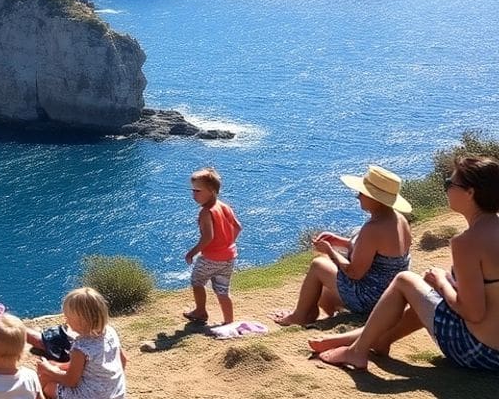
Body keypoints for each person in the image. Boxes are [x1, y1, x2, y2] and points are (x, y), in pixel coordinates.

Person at [312, 156, 499, 373]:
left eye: (450, 183)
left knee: (405, 281)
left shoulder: (467, 242)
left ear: (470, 192)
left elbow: (473, 312)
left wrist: (442, 283)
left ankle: (358, 351)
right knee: (426, 296)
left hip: (481, 352)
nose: (446, 188)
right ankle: (375, 340)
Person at [273, 165, 411, 326]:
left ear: (375, 199)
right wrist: (339, 241)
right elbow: (378, 254)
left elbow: (354, 273)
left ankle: (300, 316)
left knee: (319, 265)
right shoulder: (399, 220)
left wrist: (330, 251)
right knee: (324, 295)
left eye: (362, 193)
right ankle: (330, 315)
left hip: (371, 299)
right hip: (391, 297)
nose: (358, 197)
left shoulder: (373, 228)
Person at [35, 287, 127, 399]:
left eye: (68, 317)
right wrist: (58, 366)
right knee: (53, 368)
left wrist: (49, 370)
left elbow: (71, 381)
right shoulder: (110, 332)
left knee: (47, 380)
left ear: (82, 321)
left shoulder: (81, 347)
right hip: (116, 398)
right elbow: (123, 360)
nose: (65, 320)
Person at [183, 167, 242, 326]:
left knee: (197, 280)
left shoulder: (206, 212)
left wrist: (191, 253)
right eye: (193, 190)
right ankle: (229, 321)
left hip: (211, 258)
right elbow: (237, 227)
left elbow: (208, 237)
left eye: (198, 191)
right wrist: (227, 243)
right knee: (223, 290)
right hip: (229, 257)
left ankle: (200, 311)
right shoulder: (225, 206)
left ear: (212, 191)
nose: (194, 194)